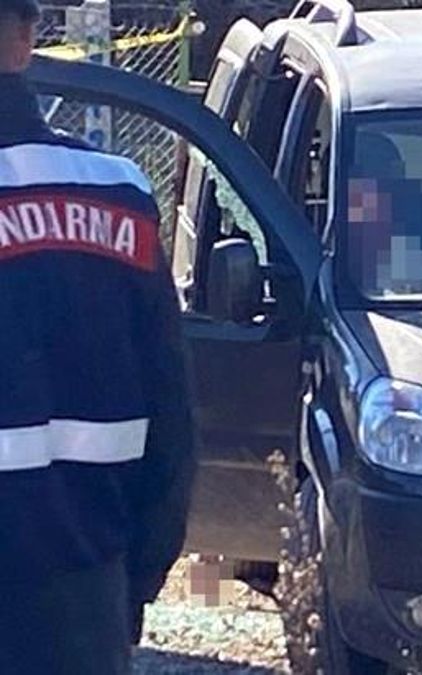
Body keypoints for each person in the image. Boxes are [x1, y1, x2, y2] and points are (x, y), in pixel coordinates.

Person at [0, 1, 197, 673]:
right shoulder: (119, 194)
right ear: (26, 40)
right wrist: (134, 582)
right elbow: (172, 420)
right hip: (87, 586)